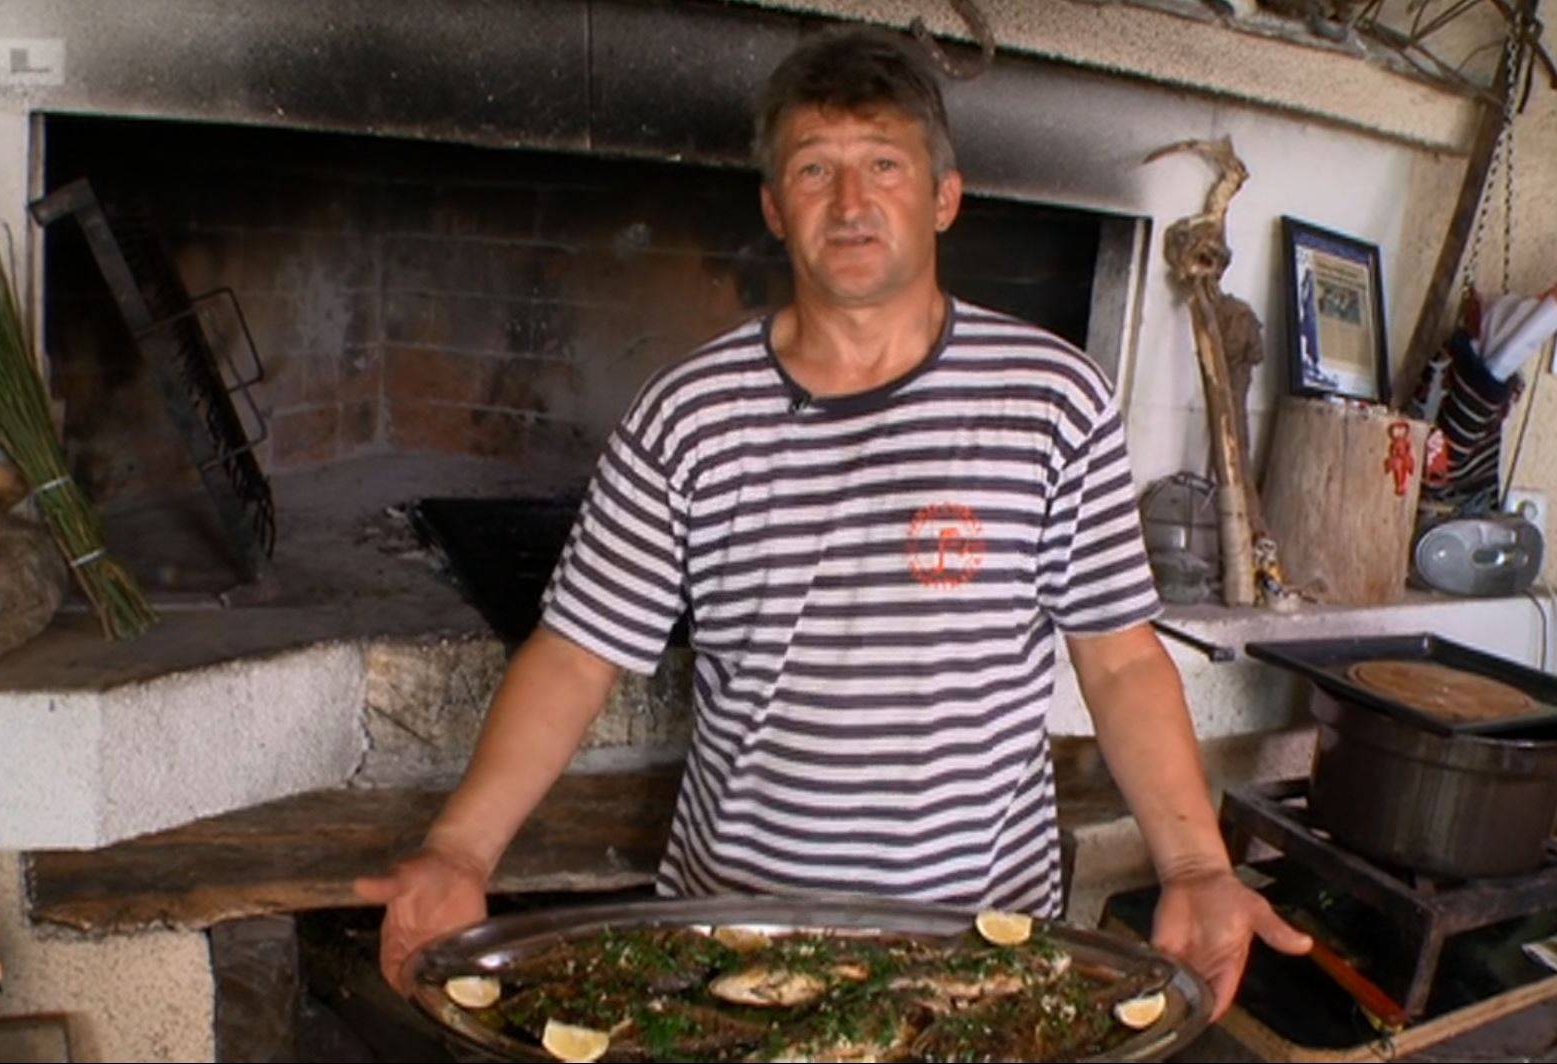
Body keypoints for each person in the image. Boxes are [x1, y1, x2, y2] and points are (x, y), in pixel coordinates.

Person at [355, 25, 1310, 1020]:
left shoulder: (1051, 397)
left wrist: (1195, 862)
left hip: (976, 945)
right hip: (730, 933)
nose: (849, 203)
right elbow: (574, 654)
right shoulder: (689, 410)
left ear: (943, 197)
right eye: (814, 169)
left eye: (882, 166)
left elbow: (1117, 658)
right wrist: (460, 848)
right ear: (774, 207)